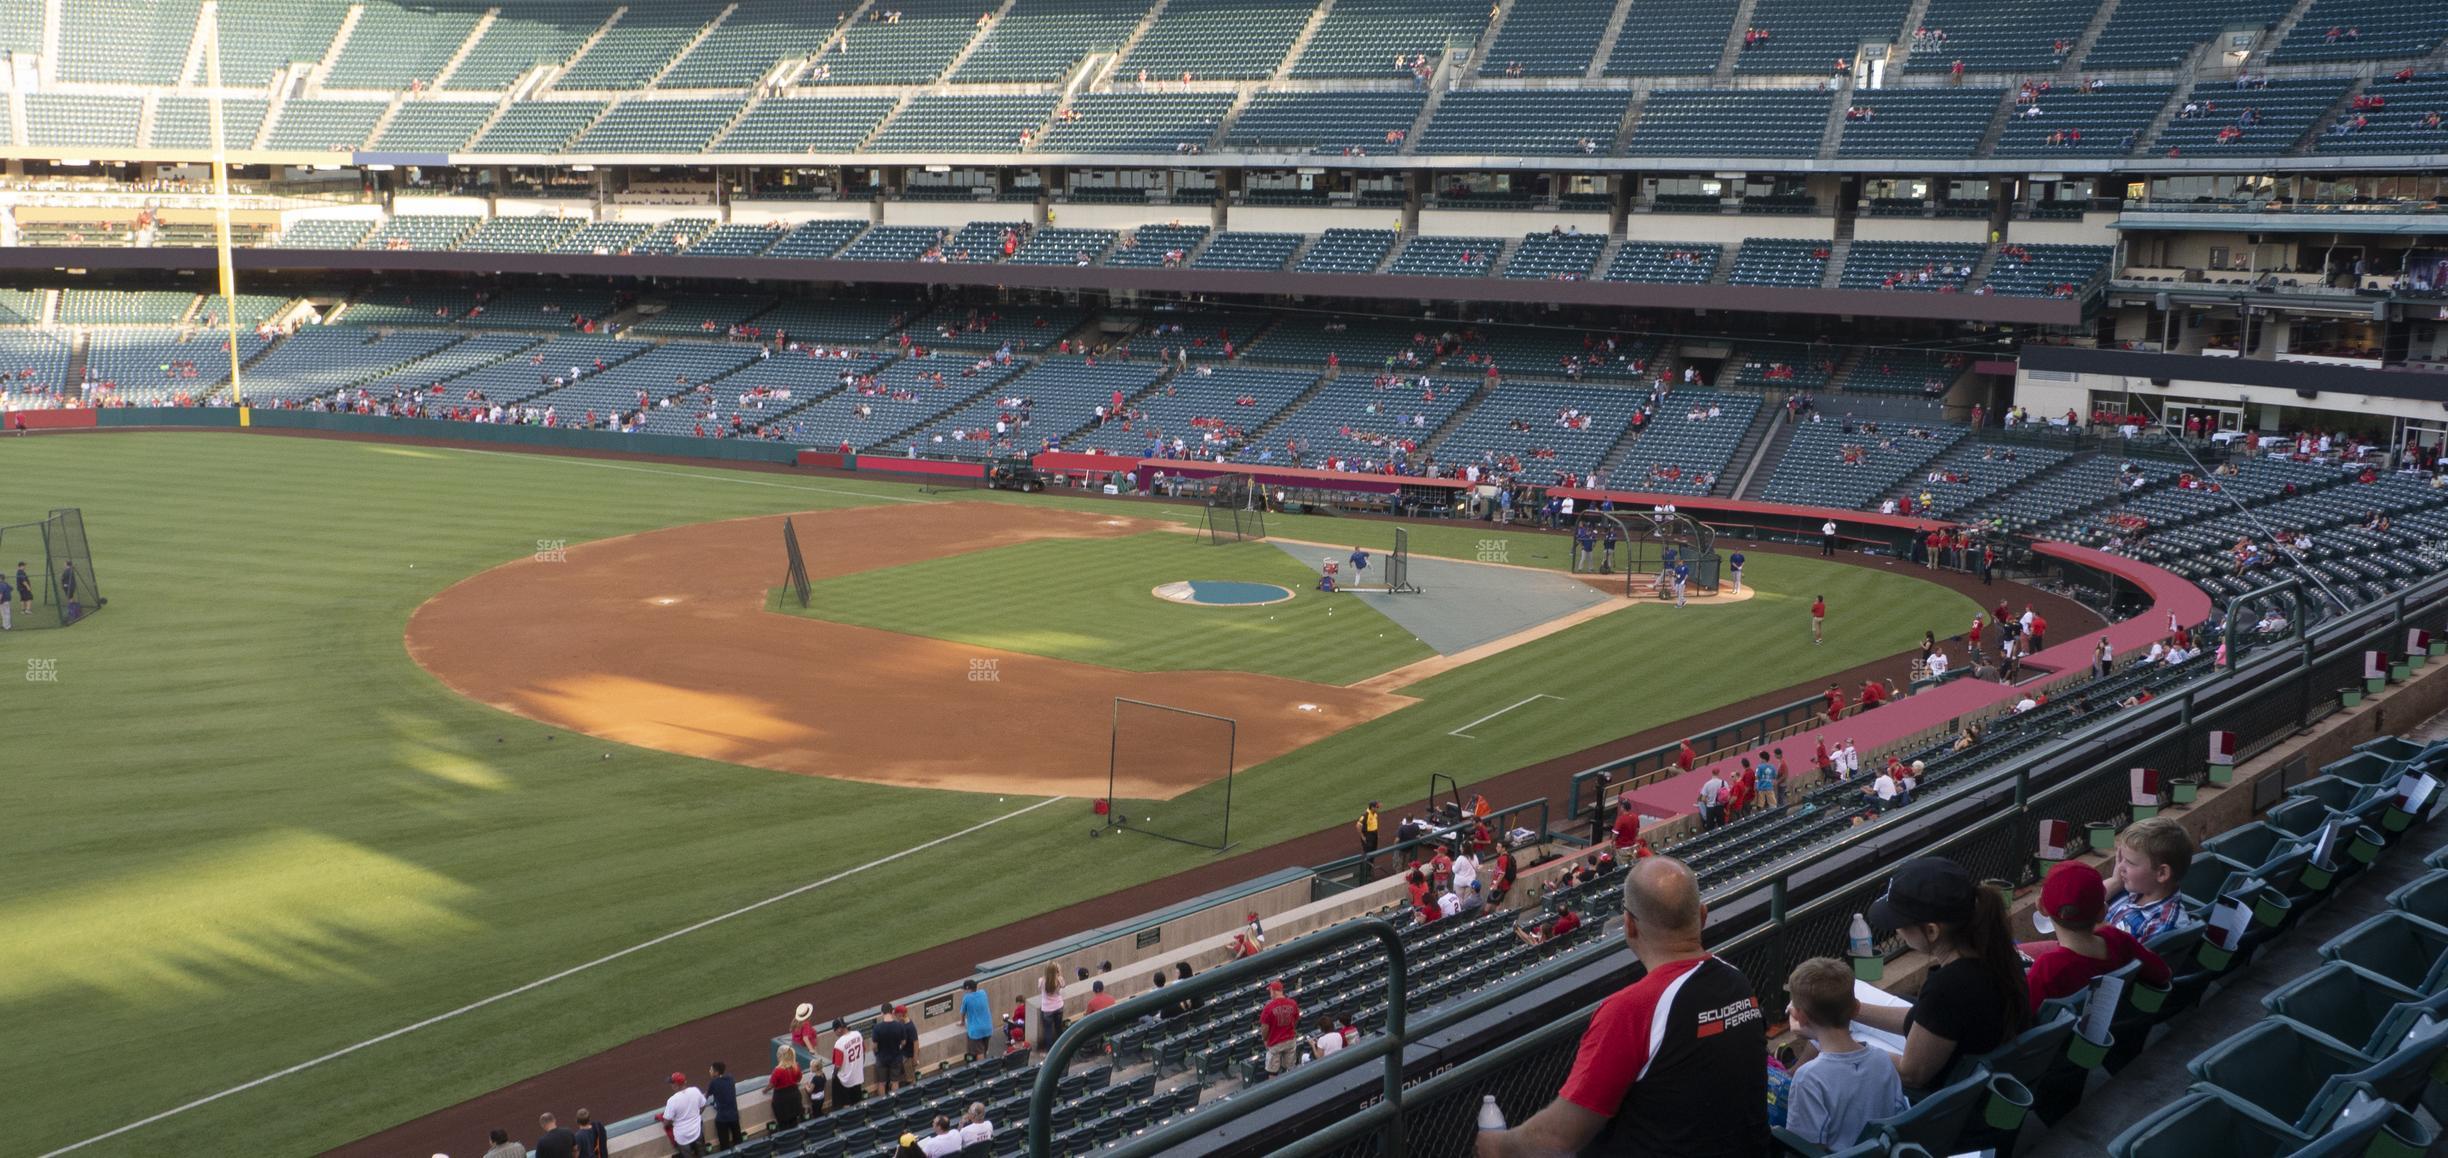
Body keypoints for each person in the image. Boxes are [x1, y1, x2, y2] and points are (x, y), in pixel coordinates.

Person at [1475, 858, 1765, 1157]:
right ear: (1703, 916)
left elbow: (1559, 1138)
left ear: (1629, 926)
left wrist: (1498, 1146)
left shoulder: (1631, 1009)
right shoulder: (1737, 981)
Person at [1853, 858, 2030, 1090]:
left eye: (1900, 921)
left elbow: (1911, 1074)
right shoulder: (1997, 955)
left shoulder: (1949, 988)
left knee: (1828, 1045)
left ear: (1931, 930)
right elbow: (1931, 1020)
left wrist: (1842, 1046)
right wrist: (1850, 1011)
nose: (1896, 929)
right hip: (1977, 1086)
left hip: (1944, 1106)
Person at [1782, 958, 1907, 1150]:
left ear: (1799, 1017)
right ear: (1856, 1008)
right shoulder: (1882, 1059)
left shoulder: (1808, 1078)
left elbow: (1804, 1147)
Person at [2025, 861, 2171, 1010]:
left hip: (2068, 1033)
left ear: (2041, 908)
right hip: (2113, 1025)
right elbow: (2163, 973)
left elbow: (2019, 1021)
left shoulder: (2046, 969)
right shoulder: (2118, 940)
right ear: (2102, 912)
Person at [2104, 816, 2196, 940]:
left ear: (2162, 873)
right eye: (2121, 859)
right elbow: (2083, 902)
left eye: (2130, 862)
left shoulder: (2162, 925)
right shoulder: (2132, 889)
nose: (2120, 867)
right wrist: (2115, 882)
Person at [658, 1072, 708, 1157]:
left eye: (672, 1083)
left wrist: (667, 1123)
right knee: (702, 1154)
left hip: (682, 1136)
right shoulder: (695, 1091)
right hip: (697, 1130)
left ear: (676, 1085)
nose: (671, 1085)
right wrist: (697, 1114)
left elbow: (666, 1122)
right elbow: (703, 1105)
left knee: (687, 1155)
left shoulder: (672, 1100)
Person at [1261, 979, 1302, 1078]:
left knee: (1273, 1072)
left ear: (1274, 991)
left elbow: (1265, 1027)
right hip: (1290, 1040)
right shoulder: (1292, 1003)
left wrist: (1265, 1039)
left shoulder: (1268, 1008)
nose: (1269, 993)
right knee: (1290, 1069)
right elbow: (1296, 1020)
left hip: (1275, 1043)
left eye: (1270, 991)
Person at [873, 1004, 917, 1092]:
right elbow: (903, 1042)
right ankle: (894, 1100)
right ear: (892, 1012)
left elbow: (874, 1046)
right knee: (895, 1082)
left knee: (881, 1083)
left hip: (882, 1058)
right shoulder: (900, 1026)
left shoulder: (877, 1027)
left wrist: (877, 1054)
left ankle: (883, 1103)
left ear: (882, 1013)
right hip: (896, 1058)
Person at [829, 1018, 866, 1109]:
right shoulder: (858, 1035)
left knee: (845, 1103)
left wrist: (834, 1075)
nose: (835, 1033)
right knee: (857, 1101)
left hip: (844, 1079)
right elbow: (863, 1053)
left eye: (835, 1030)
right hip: (857, 1076)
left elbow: (838, 1065)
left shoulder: (839, 1043)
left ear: (839, 1029)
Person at [769, 1045, 806, 1132]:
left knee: (783, 1125)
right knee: (794, 1122)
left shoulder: (778, 1070)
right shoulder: (796, 1066)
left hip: (781, 1100)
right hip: (794, 1096)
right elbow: (799, 1079)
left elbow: (771, 1084)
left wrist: (765, 1090)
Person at [705, 1062, 741, 1150]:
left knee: (724, 1146)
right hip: (734, 1116)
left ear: (716, 1072)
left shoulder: (714, 1082)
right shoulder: (730, 1078)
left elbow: (706, 1096)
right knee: (739, 1142)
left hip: (722, 1118)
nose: (709, 1071)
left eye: (711, 1070)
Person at [960, 978, 993, 1062]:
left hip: (976, 1031)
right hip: (988, 1028)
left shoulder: (966, 998)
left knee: (979, 1053)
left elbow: (963, 1012)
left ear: (967, 989)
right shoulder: (983, 993)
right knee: (984, 1050)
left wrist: (962, 1022)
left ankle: (981, 1071)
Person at [1036, 964, 1066, 1053]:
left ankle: (1050, 1052)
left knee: (1048, 1031)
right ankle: (1062, 1047)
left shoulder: (1041, 980)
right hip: (1058, 1007)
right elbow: (1063, 985)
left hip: (1047, 1009)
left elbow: (1039, 988)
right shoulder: (1059, 979)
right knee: (1058, 1028)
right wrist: (1059, 973)